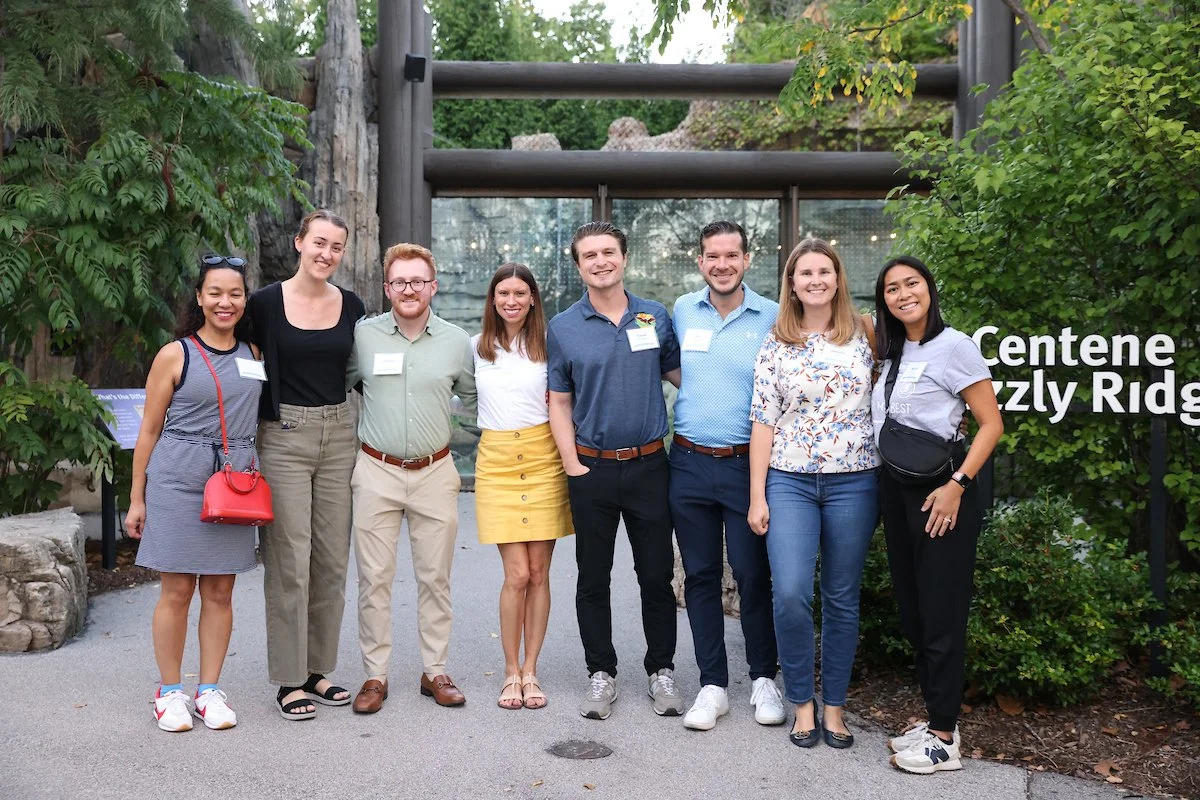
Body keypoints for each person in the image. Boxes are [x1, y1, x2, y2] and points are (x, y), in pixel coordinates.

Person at [547, 221, 684, 721]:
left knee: (655, 575)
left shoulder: (655, 316)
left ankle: (661, 670)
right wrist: (571, 464)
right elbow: (558, 402)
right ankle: (600, 673)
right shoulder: (563, 327)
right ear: (578, 265)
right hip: (592, 470)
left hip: (651, 464)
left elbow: (682, 377)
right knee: (592, 577)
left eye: (609, 252)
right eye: (590, 255)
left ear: (624, 258)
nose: (600, 261)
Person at [871, 255, 1003, 774]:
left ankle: (945, 737)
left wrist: (957, 486)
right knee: (914, 611)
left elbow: (990, 425)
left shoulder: (956, 346)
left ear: (929, 287)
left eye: (912, 283)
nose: (904, 294)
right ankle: (934, 719)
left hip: (941, 493)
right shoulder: (889, 349)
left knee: (942, 612)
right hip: (895, 491)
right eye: (891, 289)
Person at [748, 238, 880, 749]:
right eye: (805, 272)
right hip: (790, 480)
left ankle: (835, 708)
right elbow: (763, 421)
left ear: (838, 278)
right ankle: (801, 703)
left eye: (825, 270)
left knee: (842, 597)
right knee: (790, 592)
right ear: (792, 283)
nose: (816, 279)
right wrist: (758, 495)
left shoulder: (865, 334)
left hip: (855, 481)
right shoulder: (776, 342)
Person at [126, 255, 264, 732]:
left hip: (234, 480)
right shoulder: (175, 354)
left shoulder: (255, 354)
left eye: (235, 294)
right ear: (200, 299)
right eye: (215, 293)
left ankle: (209, 690)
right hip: (178, 478)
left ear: (245, 300)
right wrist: (136, 497)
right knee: (178, 589)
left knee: (222, 590)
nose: (225, 302)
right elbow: (148, 431)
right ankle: (169, 693)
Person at [346, 242, 477, 714]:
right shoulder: (363, 337)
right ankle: (374, 676)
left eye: (418, 281)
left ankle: (435, 670)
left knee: (434, 577)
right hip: (376, 469)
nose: (409, 289)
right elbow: (339, 384)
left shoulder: (456, 342)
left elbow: (475, 399)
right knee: (373, 578)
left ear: (433, 287)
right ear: (387, 288)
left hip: (435, 472)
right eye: (399, 281)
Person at [248, 209, 366, 721]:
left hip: (340, 433)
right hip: (285, 436)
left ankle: (319, 669)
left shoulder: (353, 305)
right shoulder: (264, 305)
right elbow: (241, 363)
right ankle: (289, 679)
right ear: (299, 243)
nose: (326, 254)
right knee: (290, 560)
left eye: (336, 247)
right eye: (318, 242)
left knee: (333, 560)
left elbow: (363, 373)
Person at [670, 221, 785, 731]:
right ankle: (712, 684)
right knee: (699, 576)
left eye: (731, 255)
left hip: (747, 465)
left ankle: (764, 678)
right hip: (689, 461)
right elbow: (675, 370)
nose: (722, 264)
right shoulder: (680, 310)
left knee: (753, 573)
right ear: (701, 261)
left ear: (746, 259)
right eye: (712, 256)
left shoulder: (773, 317)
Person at [472, 263, 574, 710]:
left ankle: (532, 670)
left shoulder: (551, 346)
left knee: (539, 573)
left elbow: (569, 399)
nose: (511, 301)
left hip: (543, 458)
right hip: (496, 464)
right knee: (515, 575)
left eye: (520, 293)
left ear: (533, 298)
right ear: (492, 300)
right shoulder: (474, 347)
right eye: (503, 293)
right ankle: (509, 671)